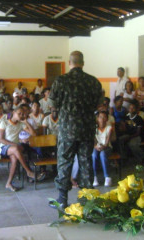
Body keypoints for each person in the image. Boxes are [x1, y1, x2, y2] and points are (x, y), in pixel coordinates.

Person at [49, 51, 102, 208]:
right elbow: (99, 104)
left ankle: (62, 199)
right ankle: (86, 201)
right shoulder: (93, 82)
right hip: (86, 129)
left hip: (67, 129)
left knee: (65, 163)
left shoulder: (61, 81)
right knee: (86, 163)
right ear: (83, 63)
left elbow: (52, 103)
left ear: (69, 63)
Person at [0, 106, 42, 191]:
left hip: (15, 149)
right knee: (16, 148)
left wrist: (26, 122)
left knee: (14, 160)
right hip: (4, 148)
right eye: (19, 113)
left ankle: (9, 183)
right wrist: (14, 144)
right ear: (14, 112)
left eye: (23, 114)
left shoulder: (21, 124)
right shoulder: (4, 122)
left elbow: (34, 134)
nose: (21, 115)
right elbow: (1, 139)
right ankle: (28, 171)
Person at [92, 111, 113, 187]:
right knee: (93, 154)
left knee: (102, 154)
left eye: (104, 117)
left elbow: (107, 142)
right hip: (97, 147)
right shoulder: (94, 128)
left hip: (107, 147)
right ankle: (94, 177)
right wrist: (96, 147)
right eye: (100, 117)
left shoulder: (109, 128)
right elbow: (94, 142)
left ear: (107, 119)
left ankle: (107, 177)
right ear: (97, 118)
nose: (102, 119)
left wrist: (102, 147)